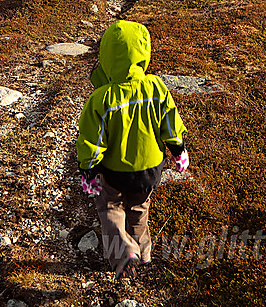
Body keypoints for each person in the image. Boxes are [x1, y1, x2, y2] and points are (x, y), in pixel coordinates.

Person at [76, 20, 189, 279]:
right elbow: (169, 123)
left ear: (106, 56)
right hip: (149, 170)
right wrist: (178, 149)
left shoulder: (102, 98)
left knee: (110, 208)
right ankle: (145, 254)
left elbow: (92, 141)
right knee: (139, 208)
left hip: (115, 171)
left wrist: (88, 171)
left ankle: (125, 253)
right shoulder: (156, 87)